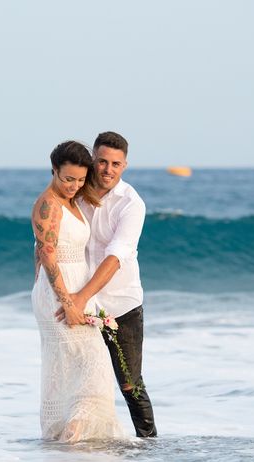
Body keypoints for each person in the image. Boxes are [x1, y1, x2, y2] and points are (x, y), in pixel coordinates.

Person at [57, 131, 157, 438]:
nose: (108, 169)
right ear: (93, 160)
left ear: (125, 165)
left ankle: (149, 446)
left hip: (120, 305)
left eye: (115, 163)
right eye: (102, 161)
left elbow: (116, 257)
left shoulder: (131, 204)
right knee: (81, 378)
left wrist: (79, 297)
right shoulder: (77, 190)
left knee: (129, 383)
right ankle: (78, 444)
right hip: (81, 305)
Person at [31, 140, 124, 443]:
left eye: (80, 180)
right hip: (60, 294)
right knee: (90, 363)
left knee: (76, 366)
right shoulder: (48, 204)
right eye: (67, 179)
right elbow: (47, 254)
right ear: (54, 171)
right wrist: (65, 301)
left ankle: (70, 442)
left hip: (75, 288)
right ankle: (73, 437)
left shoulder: (72, 200)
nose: (74, 186)